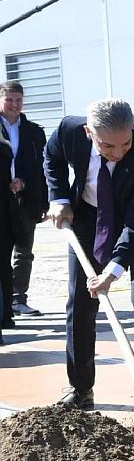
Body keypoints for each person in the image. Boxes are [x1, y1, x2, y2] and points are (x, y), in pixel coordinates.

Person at [44, 98, 134, 410]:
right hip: (88, 219)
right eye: (108, 146)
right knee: (80, 301)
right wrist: (59, 197)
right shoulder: (68, 131)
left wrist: (113, 271)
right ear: (89, 133)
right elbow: (52, 159)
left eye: (125, 143)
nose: (118, 153)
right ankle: (80, 388)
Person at [1, 81, 48, 320]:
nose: (14, 104)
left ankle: (19, 298)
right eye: (9, 99)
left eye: (18, 99)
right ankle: (4, 303)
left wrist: (41, 199)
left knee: (24, 251)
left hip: (25, 199)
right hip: (2, 199)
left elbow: (42, 168)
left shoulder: (33, 131)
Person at [1, 128, 22, 341]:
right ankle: (6, 314)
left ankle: (6, 314)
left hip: (4, 217)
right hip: (5, 216)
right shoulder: (5, 149)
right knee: (4, 267)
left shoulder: (4, 150)